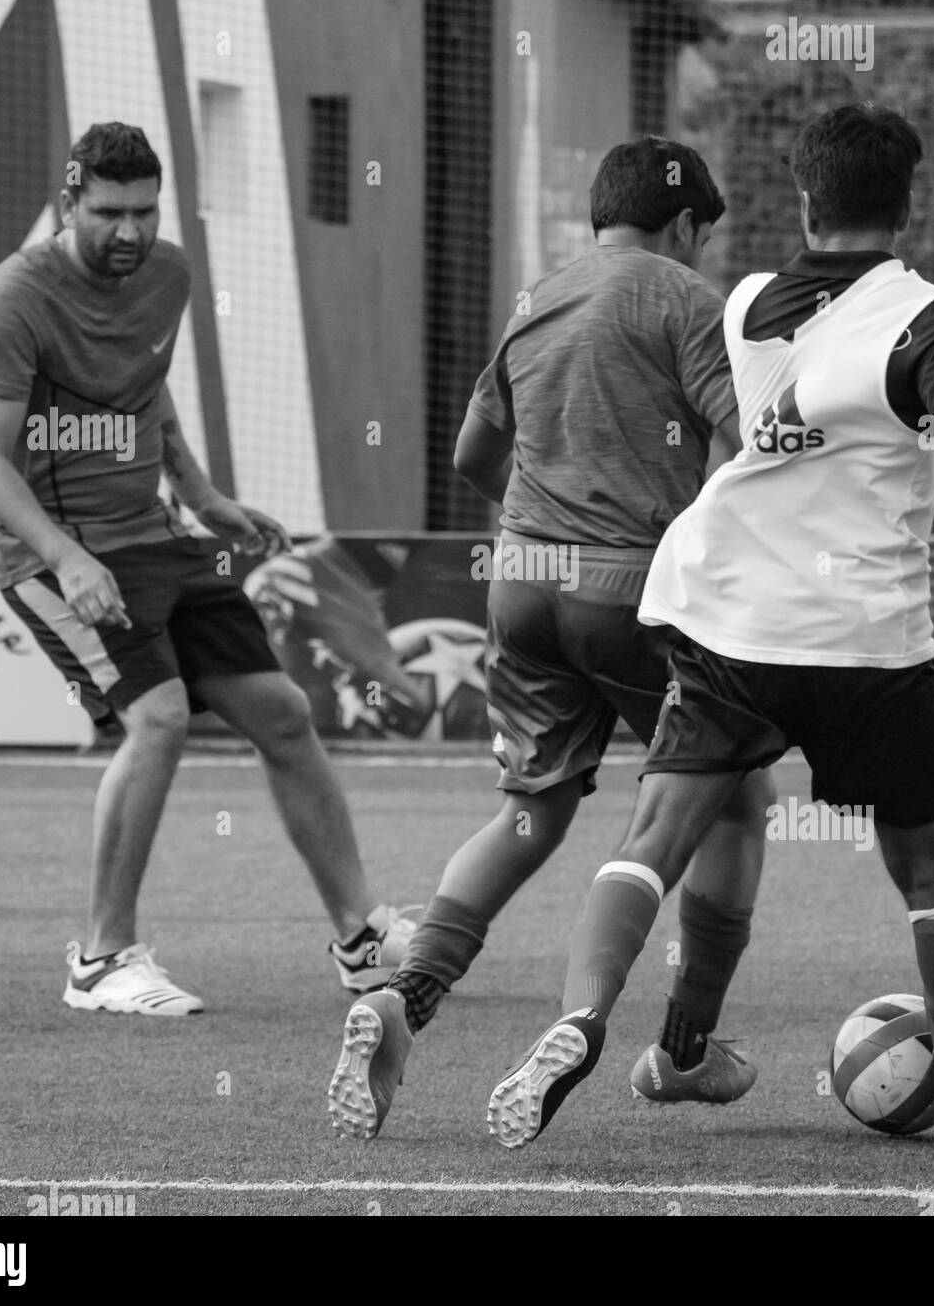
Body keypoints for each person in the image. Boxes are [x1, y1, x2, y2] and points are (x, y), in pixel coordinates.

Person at [486, 103, 934, 1150]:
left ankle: (582, 1015)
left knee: (653, 838)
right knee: (926, 867)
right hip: (859, 642)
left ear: (805, 198)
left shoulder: (746, 302)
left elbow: (827, 429)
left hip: (726, 616)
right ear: (909, 203)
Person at [327, 137, 777, 1140]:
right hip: (634, 591)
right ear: (688, 227)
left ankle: (405, 996)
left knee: (530, 811)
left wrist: (542, 530)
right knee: (734, 801)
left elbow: (472, 451)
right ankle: (678, 1045)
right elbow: (744, 451)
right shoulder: (684, 300)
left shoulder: (537, 299)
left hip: (522, 583)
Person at [0, 121, 412, 1015]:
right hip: (52, 551)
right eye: (107, 213)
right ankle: (100, 959)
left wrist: (202, 497)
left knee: (282, 713)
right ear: (69, 202)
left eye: (143, 210)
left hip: (154, 533)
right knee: (159, 718)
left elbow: (146, 383)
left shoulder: (167, 272)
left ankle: (361, 940)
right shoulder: (11, 300)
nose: (127, 231)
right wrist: (68, 558)